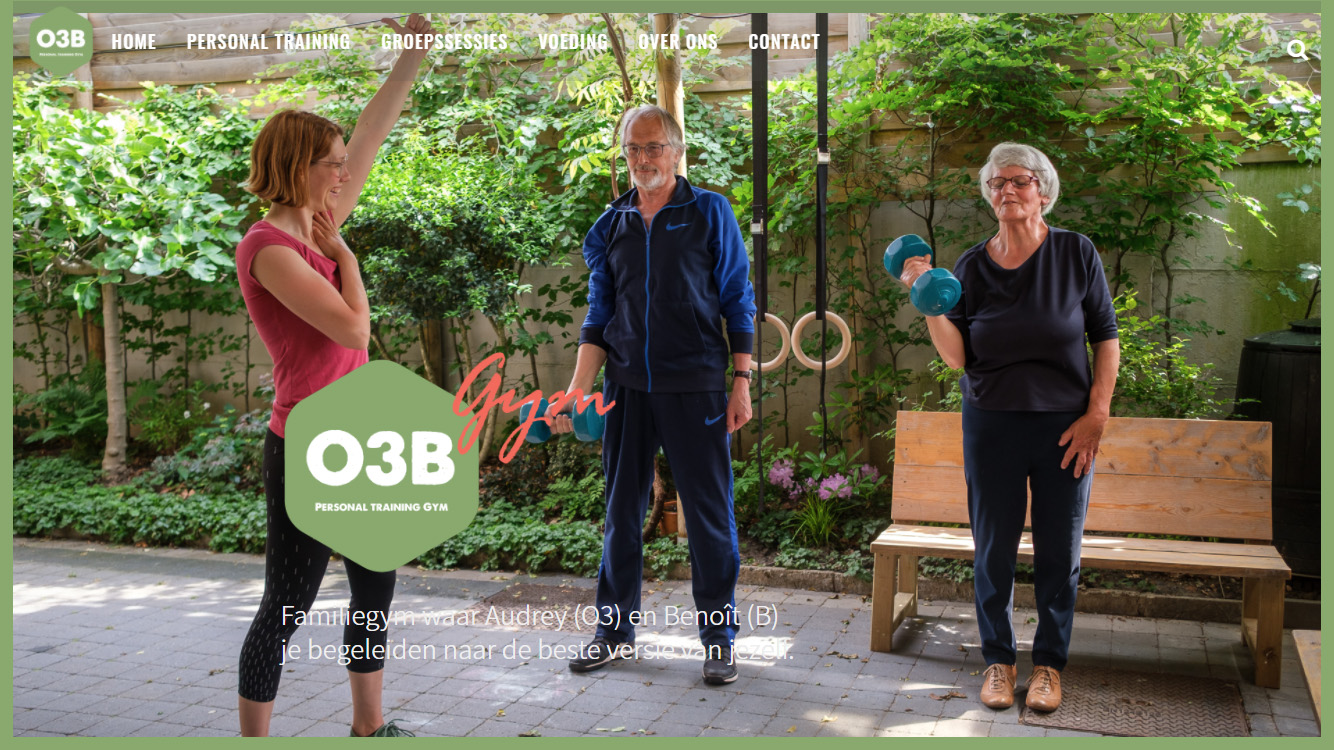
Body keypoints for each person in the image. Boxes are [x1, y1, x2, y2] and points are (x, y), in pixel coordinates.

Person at [233, 14, 436, 737]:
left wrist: (411, 55)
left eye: (343, 164)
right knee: (286, 605)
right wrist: (347, 258)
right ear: (299, 167)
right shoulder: (270, 248)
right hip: (308, 441)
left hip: (358, 439)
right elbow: (353, 329)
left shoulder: (316, 224)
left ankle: (369, 728)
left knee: (374, 591)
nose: (345, 173)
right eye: (332, 164)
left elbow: (372, 134)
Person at [897, 142, 1120, 713]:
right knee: (993, 550)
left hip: (1065, 429)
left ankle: (1048, 666)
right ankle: (998, 660)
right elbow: (957, 357)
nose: (1007, 191)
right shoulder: (971, 266)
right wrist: (925, 296)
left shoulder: (1075, 252)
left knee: (1059, 552)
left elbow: (1105, 336)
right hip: (992, 424)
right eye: (997, 183)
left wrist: (1097, 414)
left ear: (1043, 190)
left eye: (1019, 181)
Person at [552, 105, 757, 686]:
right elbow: (599, 314)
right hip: (626, 390)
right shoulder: (610, 224)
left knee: (710, 518)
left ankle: (719, 640)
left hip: (696, 387)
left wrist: (741, 381)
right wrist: (576, 391)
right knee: (621, 516)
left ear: (677, 151)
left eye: (654, 147)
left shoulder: (709, 211)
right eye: (634, 148)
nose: (643, 158)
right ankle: (613, 634)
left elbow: (737, 297)